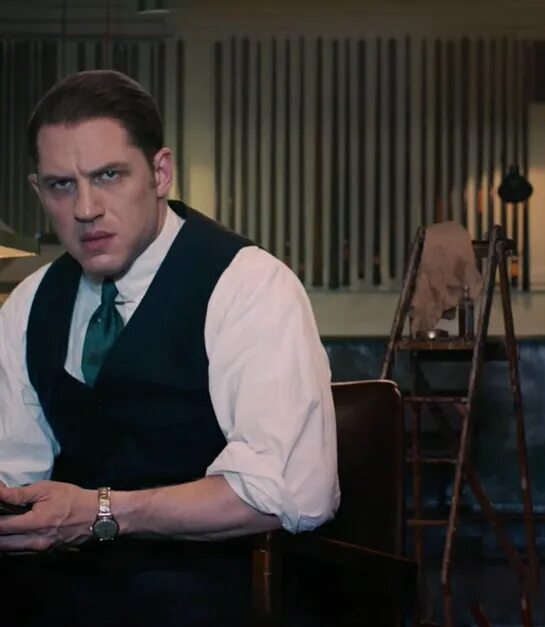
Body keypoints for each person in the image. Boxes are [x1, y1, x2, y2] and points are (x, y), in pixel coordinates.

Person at [0, 70, 339, 626]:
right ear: (39, 191)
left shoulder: (248, 286)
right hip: (59, 598)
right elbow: (16, 476)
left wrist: (103, 512)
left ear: (160, 173)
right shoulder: (29, 303)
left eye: (109, 175)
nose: (85, 208)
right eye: (62, 185)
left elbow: (289, 494)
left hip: (210, 598)